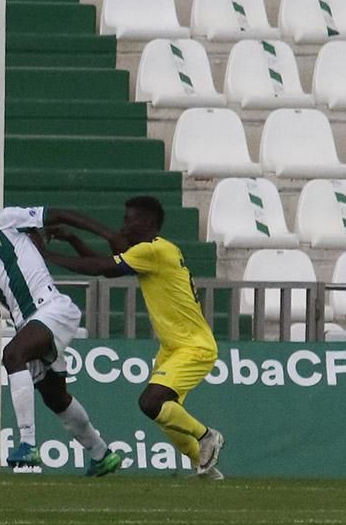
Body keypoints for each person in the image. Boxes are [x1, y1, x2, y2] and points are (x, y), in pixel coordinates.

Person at [0, 179, 122, 477]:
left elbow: (59, 215)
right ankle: (101, 454)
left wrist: (106, 232)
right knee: (55, 397)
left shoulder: (5, 221)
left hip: (52, 307)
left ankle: (27, 444)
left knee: (12, 355)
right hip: (28, 323)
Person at [35, 196, 225, 479]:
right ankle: (204, 465)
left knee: (151, 403)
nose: (124, 224)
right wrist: (74, 240)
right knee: (165, 414)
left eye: (129, 219)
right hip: (173, 348)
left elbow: (101, 267)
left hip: (193, 346)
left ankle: (207, 436)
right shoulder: (155, 252)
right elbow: (106, 264)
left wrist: (46, 257)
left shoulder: (155, 251)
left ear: (148, 222)